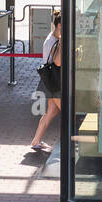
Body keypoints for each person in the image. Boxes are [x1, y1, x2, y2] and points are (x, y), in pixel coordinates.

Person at [29, 11, 61, 154]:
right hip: (55, 81)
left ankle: (36, 141)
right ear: (59, 25)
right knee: (68, 112)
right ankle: (70, 141)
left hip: (50, 81)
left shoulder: (52, 38)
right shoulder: (54, 41)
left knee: (50, 112)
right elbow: (58, 62)